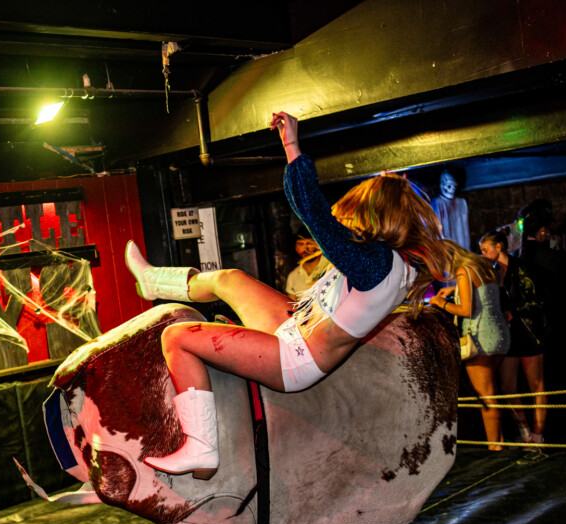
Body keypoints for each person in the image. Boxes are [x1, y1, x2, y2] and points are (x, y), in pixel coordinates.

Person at [124, 111, 452, 478]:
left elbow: (314, 213)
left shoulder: (378, 265)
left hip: (294, 360)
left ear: (375, 217)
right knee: (230, 279)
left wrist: (292, 145)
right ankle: (155, 281)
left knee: (177, 337)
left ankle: (201, 449)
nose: (349, 224)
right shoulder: (394, 263)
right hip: (298, 323)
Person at [429, 240, 510, 450]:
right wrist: (454, 289)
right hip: (500, 335)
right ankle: (501, 441)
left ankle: (495, 448)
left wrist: (440, 303)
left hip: (479, 339)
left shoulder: (464, 271)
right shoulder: (483, 266)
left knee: (485, 396)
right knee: (493, 392)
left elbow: (466, 310)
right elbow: (481, 288)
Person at [479, 230, 547, 444]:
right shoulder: (491, 272)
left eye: (485, 250)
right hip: (507, 336)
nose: (482, 254)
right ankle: (524, 432)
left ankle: (538, 435)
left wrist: (514, 312)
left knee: (536, 385)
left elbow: (537, 301)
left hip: (528, 333)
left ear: (498, 247)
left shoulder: (522, 268)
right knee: (508, 386)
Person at [432, 169, 471, 250]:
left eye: (454, 186)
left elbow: (465, 230)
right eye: (450, 185)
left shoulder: (461, 203)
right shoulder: (438, 203)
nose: (453, 188)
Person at [284, 232, 322, 299]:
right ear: (296, 248)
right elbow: (292, 306)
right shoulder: (293, 276)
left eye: (309, 244)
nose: (305, 249)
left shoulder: (331, 269)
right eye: (301, 244)